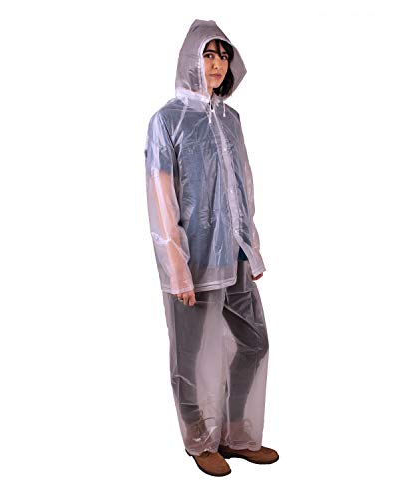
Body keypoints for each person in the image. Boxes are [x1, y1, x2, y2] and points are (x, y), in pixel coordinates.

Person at [144, 19, 278, 477]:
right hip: (194, 258)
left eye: (223, 55)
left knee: (254, 342)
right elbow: (162, 198)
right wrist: (175, 267)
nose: (217, 64)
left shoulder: (230, 119)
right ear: (191, 60)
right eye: (208, 55)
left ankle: (237, 434)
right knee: (191, 353)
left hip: (233, 255)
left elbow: (243, 186)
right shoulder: (167, 121)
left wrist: (251, 245)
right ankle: (200, 441)